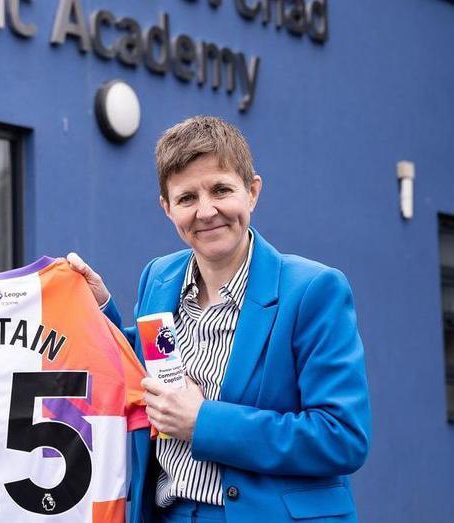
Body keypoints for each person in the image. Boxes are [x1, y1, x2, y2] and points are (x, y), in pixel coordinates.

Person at [68, 116, 371, 522]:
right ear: (167, 207)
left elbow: (342, 437)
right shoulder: (159, 277)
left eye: (221, 190)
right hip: (169, 513)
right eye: (187, 197)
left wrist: (203, 422)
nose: (206, 211)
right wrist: (100, 308)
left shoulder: (313, 290)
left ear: (252, 192)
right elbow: (146, 369)